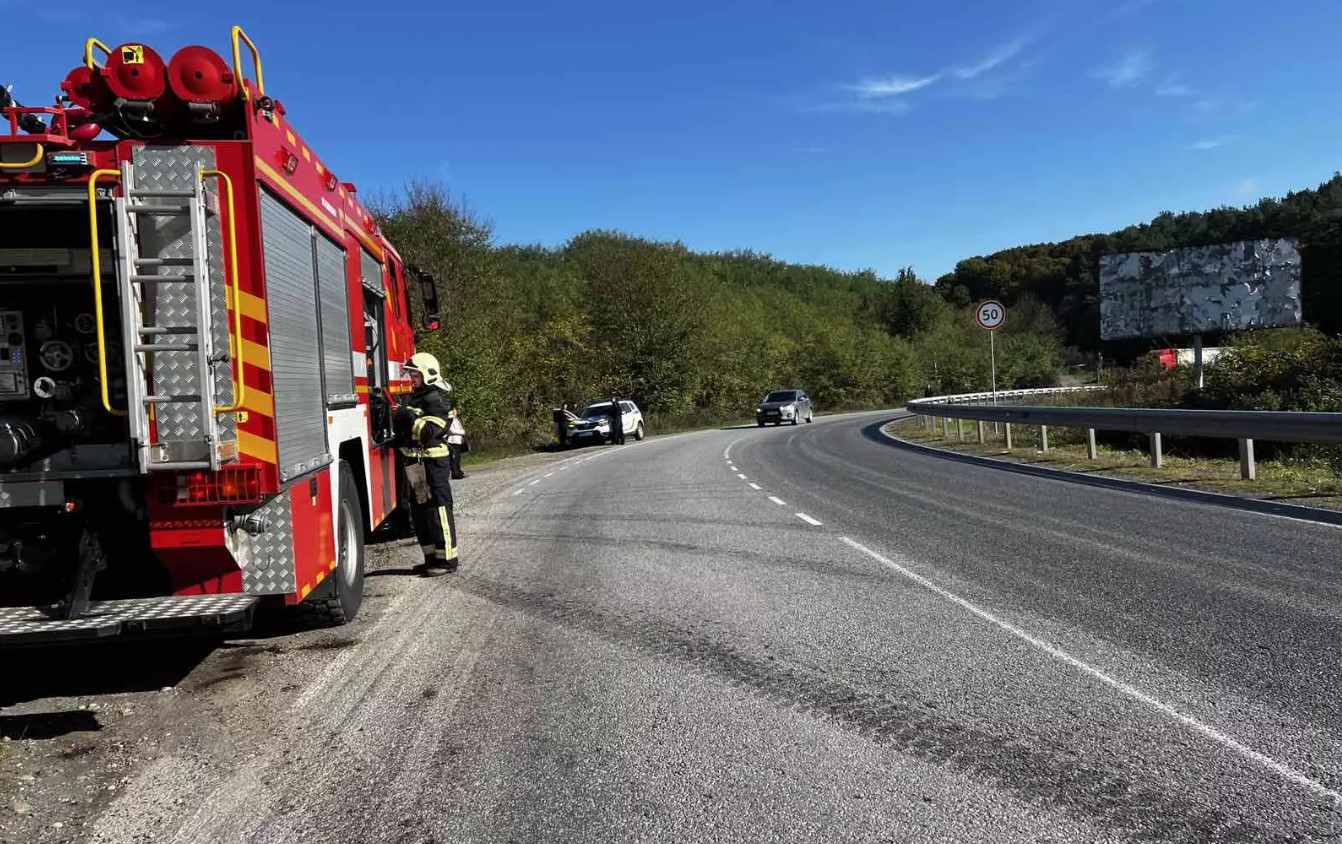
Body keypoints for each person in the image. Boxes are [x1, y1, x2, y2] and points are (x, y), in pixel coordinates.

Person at [393, 352, 459, 577]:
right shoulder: (415, 399)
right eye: (411, 374)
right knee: (420, 512)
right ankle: (430, 558)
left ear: (428, 375)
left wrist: (407, 417)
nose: (412, 378)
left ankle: (447, 561)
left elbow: (431, 433)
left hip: (433, 465)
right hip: (415, 464)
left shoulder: (436, 400)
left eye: (415, 374)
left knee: (438, 511)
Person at [447, 409, 468, 480]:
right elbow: (450, 431)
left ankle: (459, 472)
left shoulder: (456, 419)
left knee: (458, 458)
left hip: (458, 441)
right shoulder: (450, 419)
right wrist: (462, 432)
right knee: (454, 459)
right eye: (454, 410)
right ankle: (455, 474)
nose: (456, 412)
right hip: (453, 441)